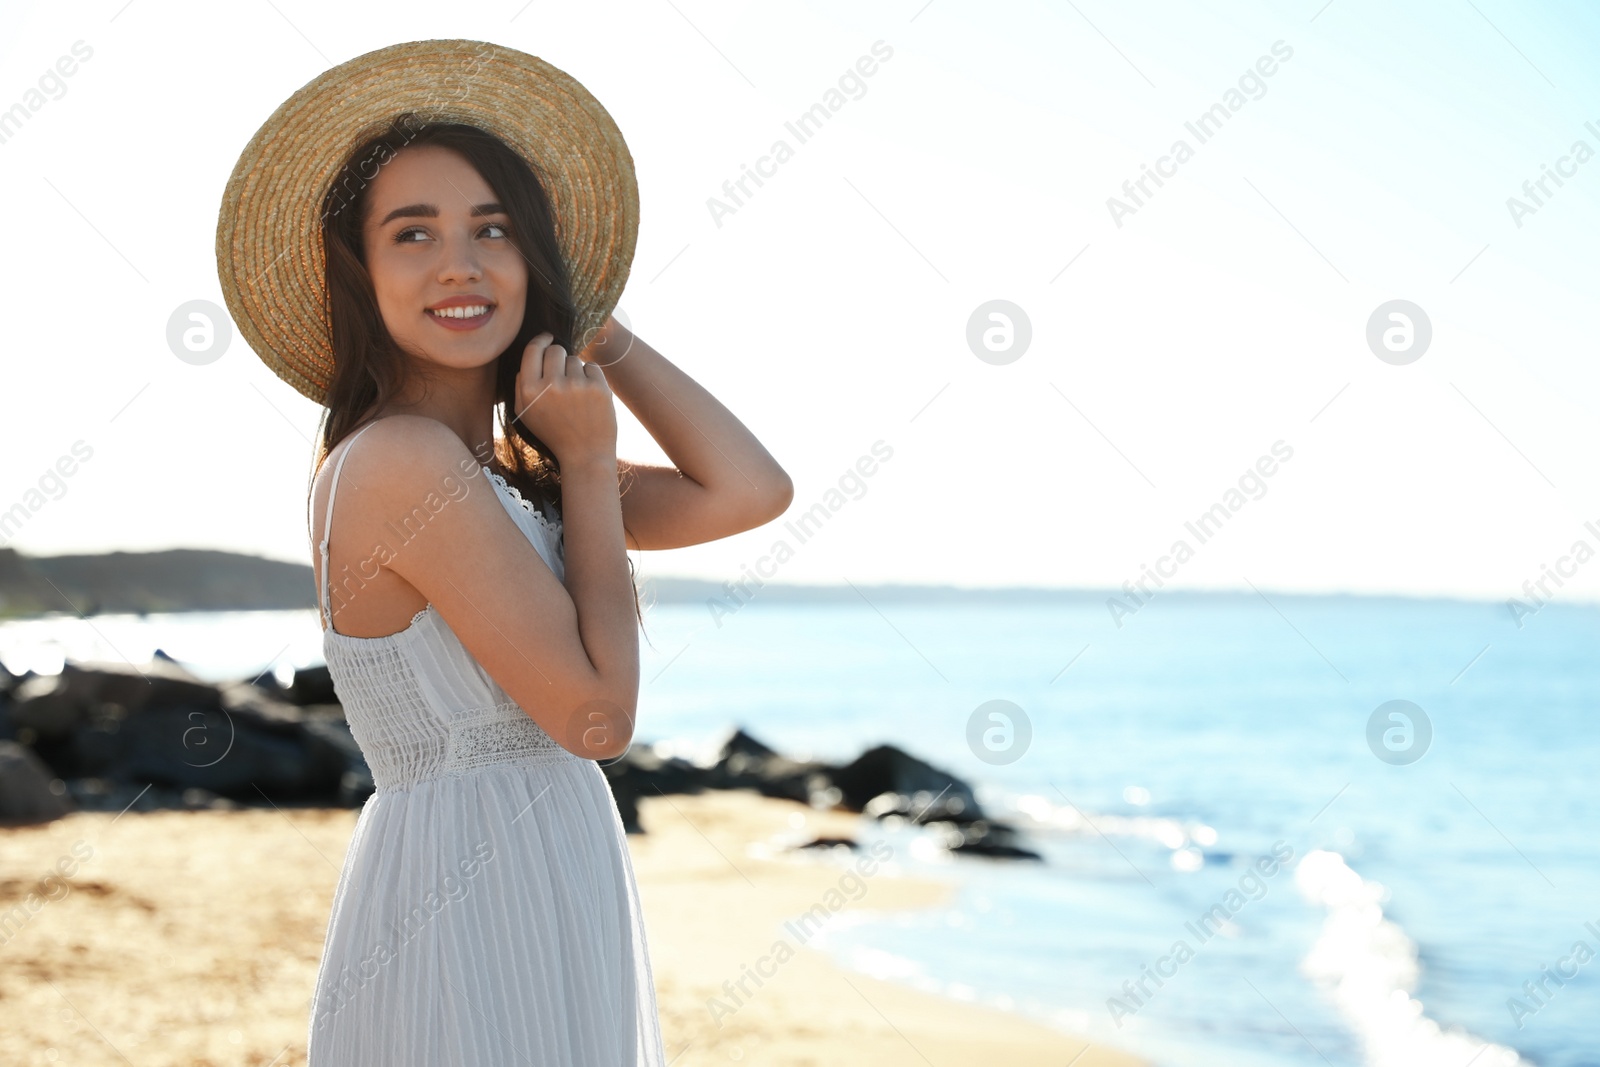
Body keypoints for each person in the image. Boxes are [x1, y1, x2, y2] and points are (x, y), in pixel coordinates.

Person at [215, 40, 792, 1064]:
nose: (459, 262)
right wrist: (588, 455)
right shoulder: (400, 461)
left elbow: (749, 489)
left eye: (494, 230)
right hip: (469, 889)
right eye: (412, 233)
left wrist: (593, 321)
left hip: (539, 865)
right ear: (359, 270)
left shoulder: (509, 470)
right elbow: (596, 715)